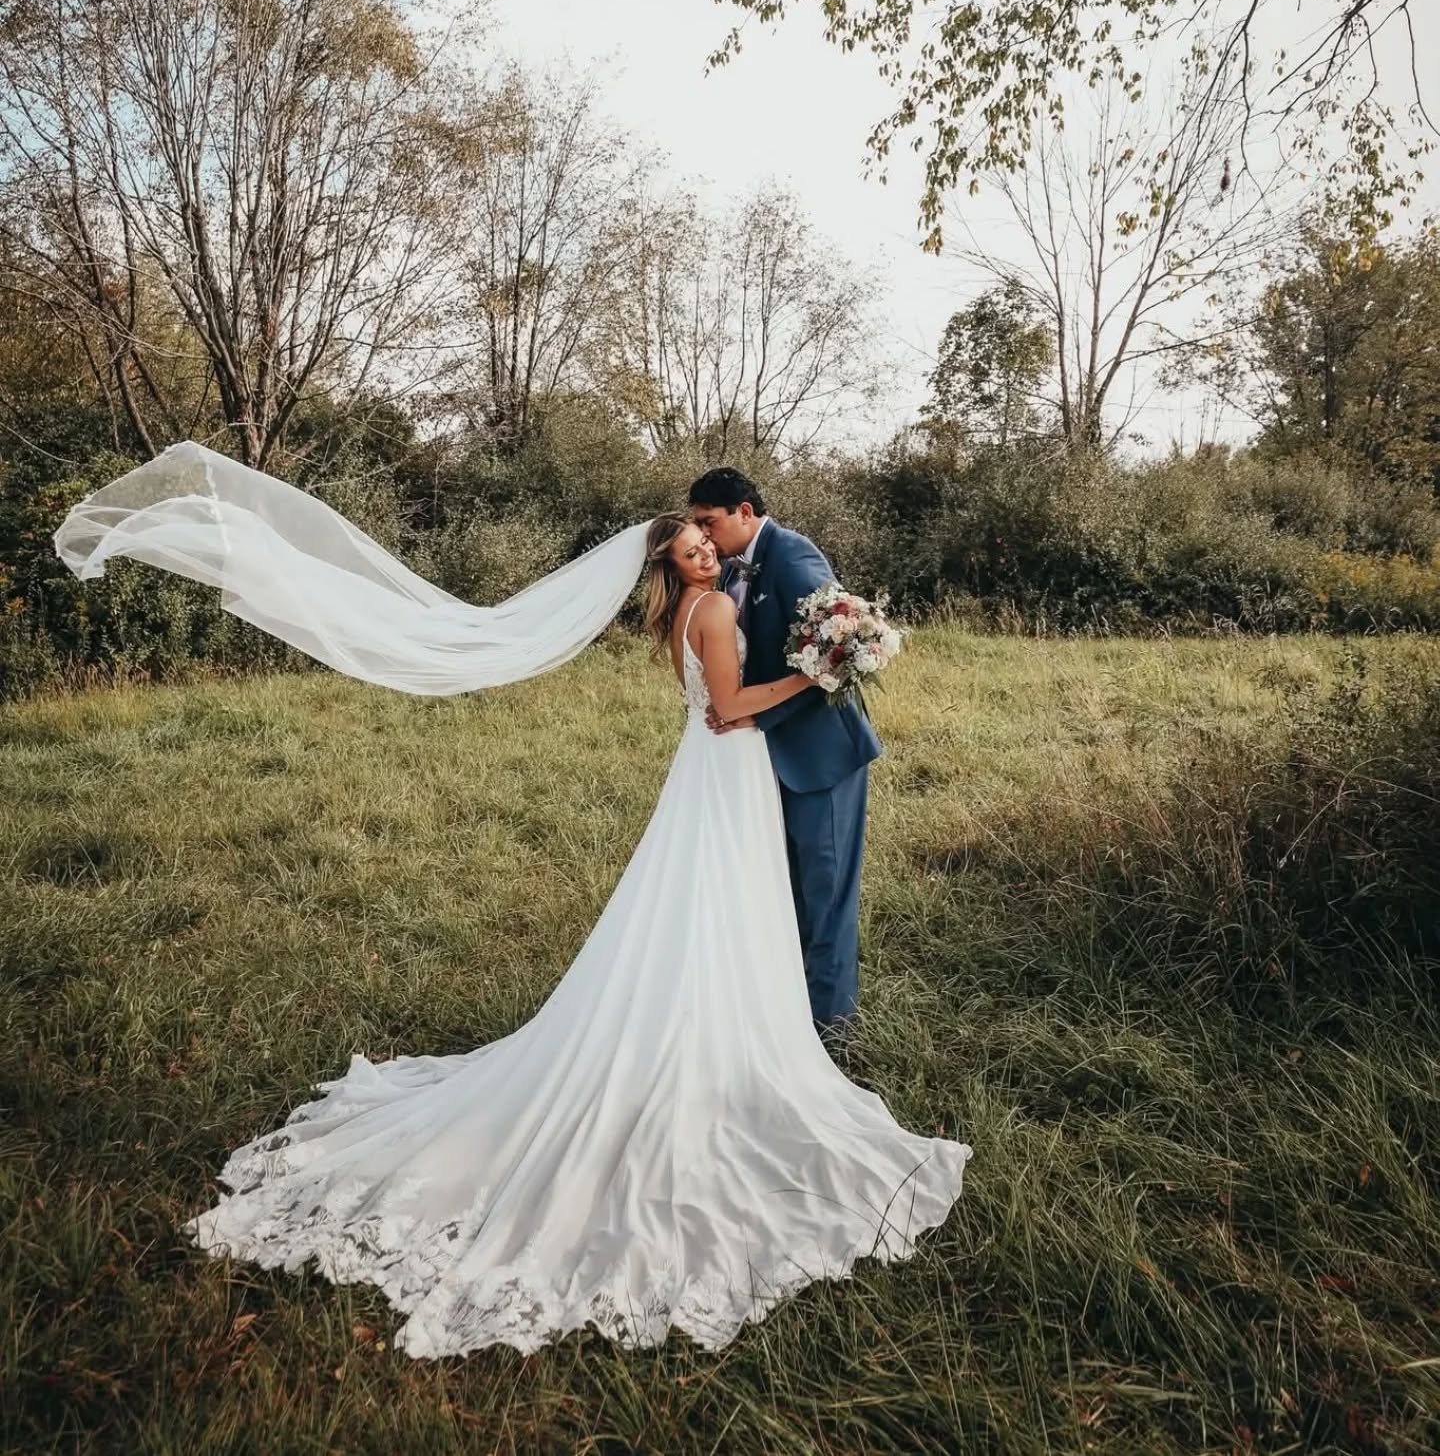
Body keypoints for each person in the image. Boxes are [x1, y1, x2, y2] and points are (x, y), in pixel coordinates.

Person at [54, 447, 969, 1357]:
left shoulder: (692, 606)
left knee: (705, 908)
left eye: (706, 537)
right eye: (692, 544)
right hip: (729, 765)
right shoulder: (719, 604)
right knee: (725, 904)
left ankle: (730, 1016)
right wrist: (820, 670)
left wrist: (825, 647)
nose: (707, 552)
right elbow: (731, 709)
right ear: (674, 560)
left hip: (711, 780)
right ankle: (737, 1034)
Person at [689, 469, 880, 1047]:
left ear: (744, 511)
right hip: (767, 757)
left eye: (709, 522)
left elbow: (844, 648)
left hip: (820, 755)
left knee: (826, 890)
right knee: (787, 886)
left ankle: (832, 1028)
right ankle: (788, 1008)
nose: (703, 535)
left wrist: (755, 714)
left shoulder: (793, 557)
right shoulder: (729, 567)